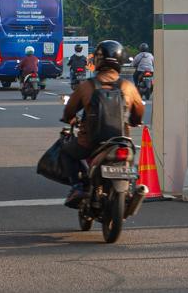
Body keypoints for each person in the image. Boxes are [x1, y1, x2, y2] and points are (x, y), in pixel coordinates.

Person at [59, 40, 145, 207]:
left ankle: (77, 187)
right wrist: (135, 121)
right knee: (131, 161)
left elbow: (69, 110)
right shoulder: (127, 86)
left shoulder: (87, 86)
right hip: (121, 141)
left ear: (97, 61)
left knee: (65, 151)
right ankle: (130, 189)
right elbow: (139, 110)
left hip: (90, 143)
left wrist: (70, 118)